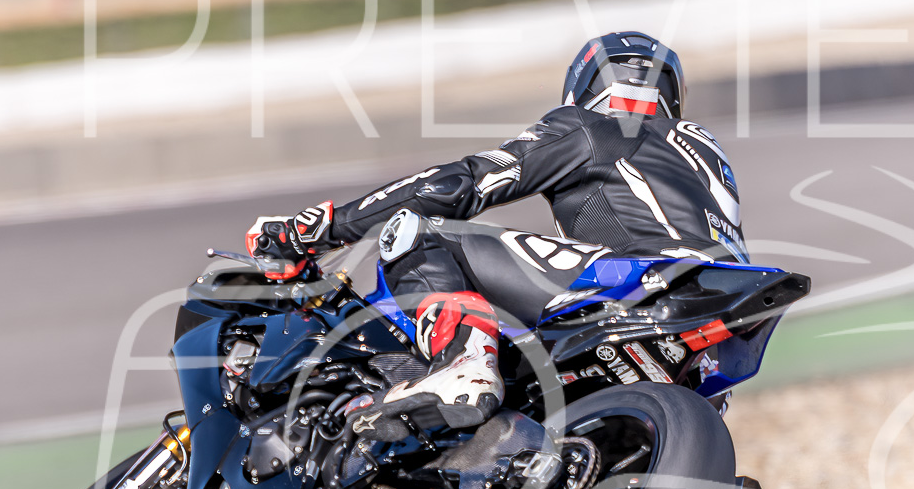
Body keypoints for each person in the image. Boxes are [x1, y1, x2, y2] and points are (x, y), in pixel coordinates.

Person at [246, 30, 746, 441]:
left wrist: (323, 227)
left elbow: (456, 185)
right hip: (706, 344)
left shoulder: (592, 126)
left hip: (639, 283)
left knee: (419, 231)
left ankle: (463, 361)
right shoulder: (704, 153)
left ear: (584, 86)